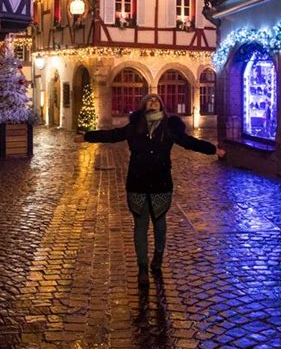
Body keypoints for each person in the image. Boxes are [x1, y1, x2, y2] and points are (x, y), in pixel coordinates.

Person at [74, 93, 226, 286]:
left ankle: (158, 257)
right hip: (137, 181)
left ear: (161, 106)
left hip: (161, 180)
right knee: (140, 224)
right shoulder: (135, 127)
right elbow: (112, 135)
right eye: (149, 101)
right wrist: (87, 136)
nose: (153, 102)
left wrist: (213, 150)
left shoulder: (170, 128)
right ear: (144, 106)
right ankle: (142, 268)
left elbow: (190, 143)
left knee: (160, 222)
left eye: (156, 101)